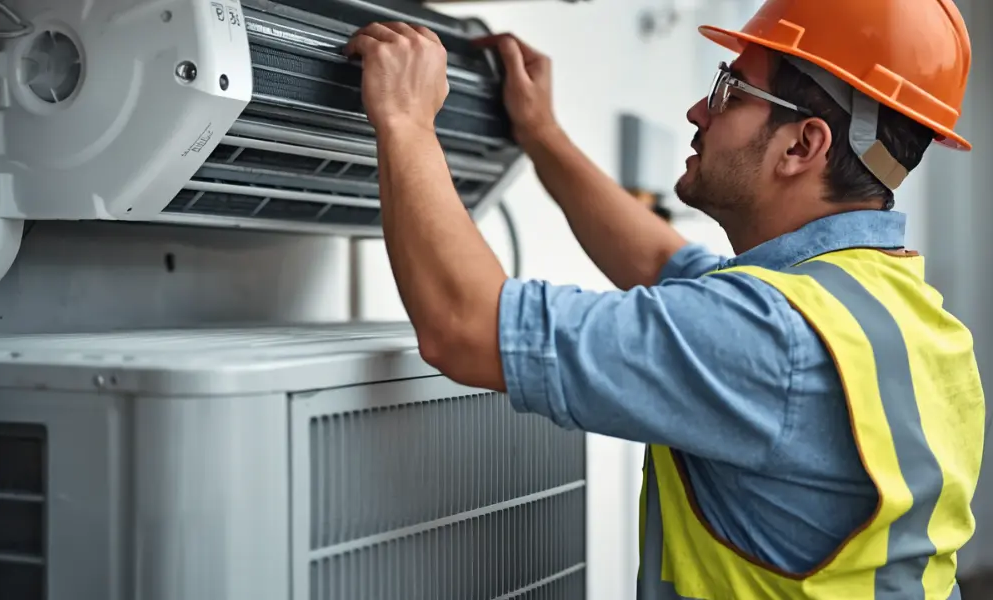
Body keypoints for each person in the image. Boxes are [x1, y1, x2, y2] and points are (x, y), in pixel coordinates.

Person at [344, 0, 986, 597]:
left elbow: (465, 327)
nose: (698, 111)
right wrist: (541, 133)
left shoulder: (771, 334)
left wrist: (404, 118)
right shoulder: (893, 313)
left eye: (729, 90)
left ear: (802, 145)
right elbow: (660, 261)